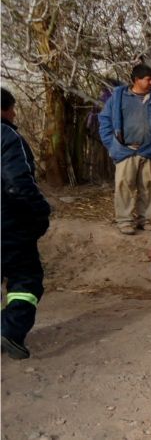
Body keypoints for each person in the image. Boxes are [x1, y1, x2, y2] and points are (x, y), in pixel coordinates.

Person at [1, 88, 51, 359]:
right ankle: (9, 330)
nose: (15, 114)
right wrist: (40, 211)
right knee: (26, 279)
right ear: (5, 110)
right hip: (8, 224)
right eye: (12, 109)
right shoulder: (7, 135)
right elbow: (18, 183)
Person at [98, 64, 151, 235]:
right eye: (147, 79)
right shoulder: (118, 97)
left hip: (150, 151)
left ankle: (145, 220)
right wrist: (112, 145)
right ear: (136, 80)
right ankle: (125, 221)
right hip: (125, 151)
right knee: (124, 186)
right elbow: (104, 120)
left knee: (148, 186)